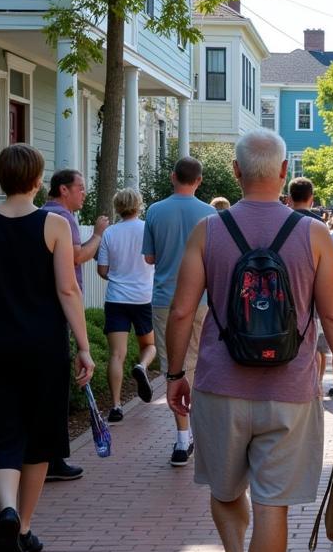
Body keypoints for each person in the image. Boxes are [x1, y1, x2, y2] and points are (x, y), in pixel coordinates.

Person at [164, 129, 333, 552]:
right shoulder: (314, 233)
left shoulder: (209, 230)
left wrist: (173, 376)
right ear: (282, 174)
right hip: (291, 393)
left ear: (234, 172)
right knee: (272, 507)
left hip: (219, 385)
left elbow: (183, 311)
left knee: (227, 490)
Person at [0, 143, 94, 552]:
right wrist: (83, 347)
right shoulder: (55, 225)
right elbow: (68, 289)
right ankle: (22, 527)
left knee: (0, 427)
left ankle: (7, 508)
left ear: (0, 177)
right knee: (39, 434)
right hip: (43, 343)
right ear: (37, 180)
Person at [143, 156, 216, 466]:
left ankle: (181, 438)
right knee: (200, 364)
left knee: (174, 367)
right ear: (198, 180)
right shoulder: (211, 214)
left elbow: (149, 258)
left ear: (173, 177)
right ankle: (201, 432)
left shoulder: (155, 211)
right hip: (202, 300)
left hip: (165, 299)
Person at [42, 168, 109, 480]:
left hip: (40, 310)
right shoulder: (61, 217)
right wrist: (98, 232)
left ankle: (44, 457)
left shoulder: (41, 214)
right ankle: (53, 459)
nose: (84, 193)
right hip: (58, 310)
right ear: (63, 189)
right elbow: (78, 257)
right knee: (55, 387)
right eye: (80, 188)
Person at [96, 188, 156, 423]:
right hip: (144, 297)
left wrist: (118, 276)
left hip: (116, 299)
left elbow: (102, 270)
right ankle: (142, 366)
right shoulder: (147, 230)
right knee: (149, 344)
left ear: (117, 206)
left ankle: (116, 406)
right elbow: (155, 261)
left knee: (116, 355)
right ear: (139, 205)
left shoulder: (110, 233)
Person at [287, 176, 333, 394]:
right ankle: (315, 385)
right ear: (312, 198)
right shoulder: (318, 225)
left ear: (289, 198)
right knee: (314, 346)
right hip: (311, 297)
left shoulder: (282, 220)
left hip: (284, 294)